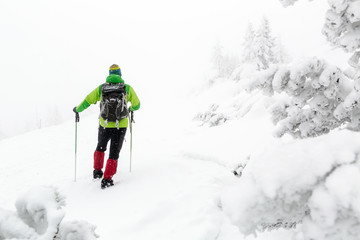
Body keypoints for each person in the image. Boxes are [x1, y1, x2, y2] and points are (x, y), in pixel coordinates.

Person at [73, 64, 140, 188]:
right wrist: (131, 108)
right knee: (114, 153)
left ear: (109, 74)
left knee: (100, 147)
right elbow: (137, 104)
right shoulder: (127, 88)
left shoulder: (101, 88)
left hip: (104, 124)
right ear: (120, 74)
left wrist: (77, 109)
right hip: (121, 125)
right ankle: (107, 179)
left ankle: (97, 172)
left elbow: (88, 100)